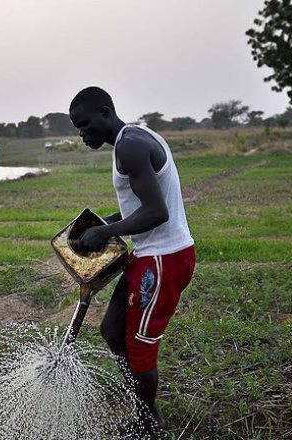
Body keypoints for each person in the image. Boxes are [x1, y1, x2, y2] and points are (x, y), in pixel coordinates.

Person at [69, 86, 196, 433]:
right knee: (112, 331)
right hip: (148, 254)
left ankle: (147, 421)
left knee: (140, 350)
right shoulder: (133, 139)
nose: (82, 133)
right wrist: (102, 225)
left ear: (106, 113)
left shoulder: (130, 146)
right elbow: (140, 206)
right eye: (76, 127)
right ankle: (141, 399)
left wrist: (106, 234)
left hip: (163, 259)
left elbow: (157, 212)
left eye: (84, 124)